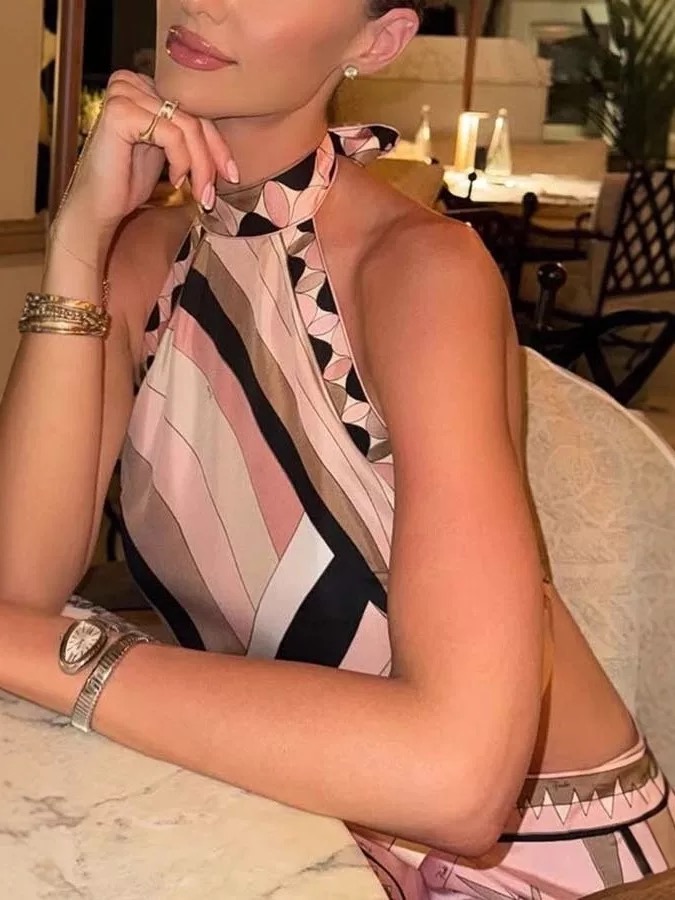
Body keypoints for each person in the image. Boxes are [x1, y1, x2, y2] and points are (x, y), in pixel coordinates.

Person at [0, 2, 673, 897]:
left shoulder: (418, 270)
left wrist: (65, 654)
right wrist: (76, 242)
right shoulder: (140, 260)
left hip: (535, 853)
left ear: (376, 41)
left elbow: (457, 782)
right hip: (292, 810)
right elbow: (19, 591)